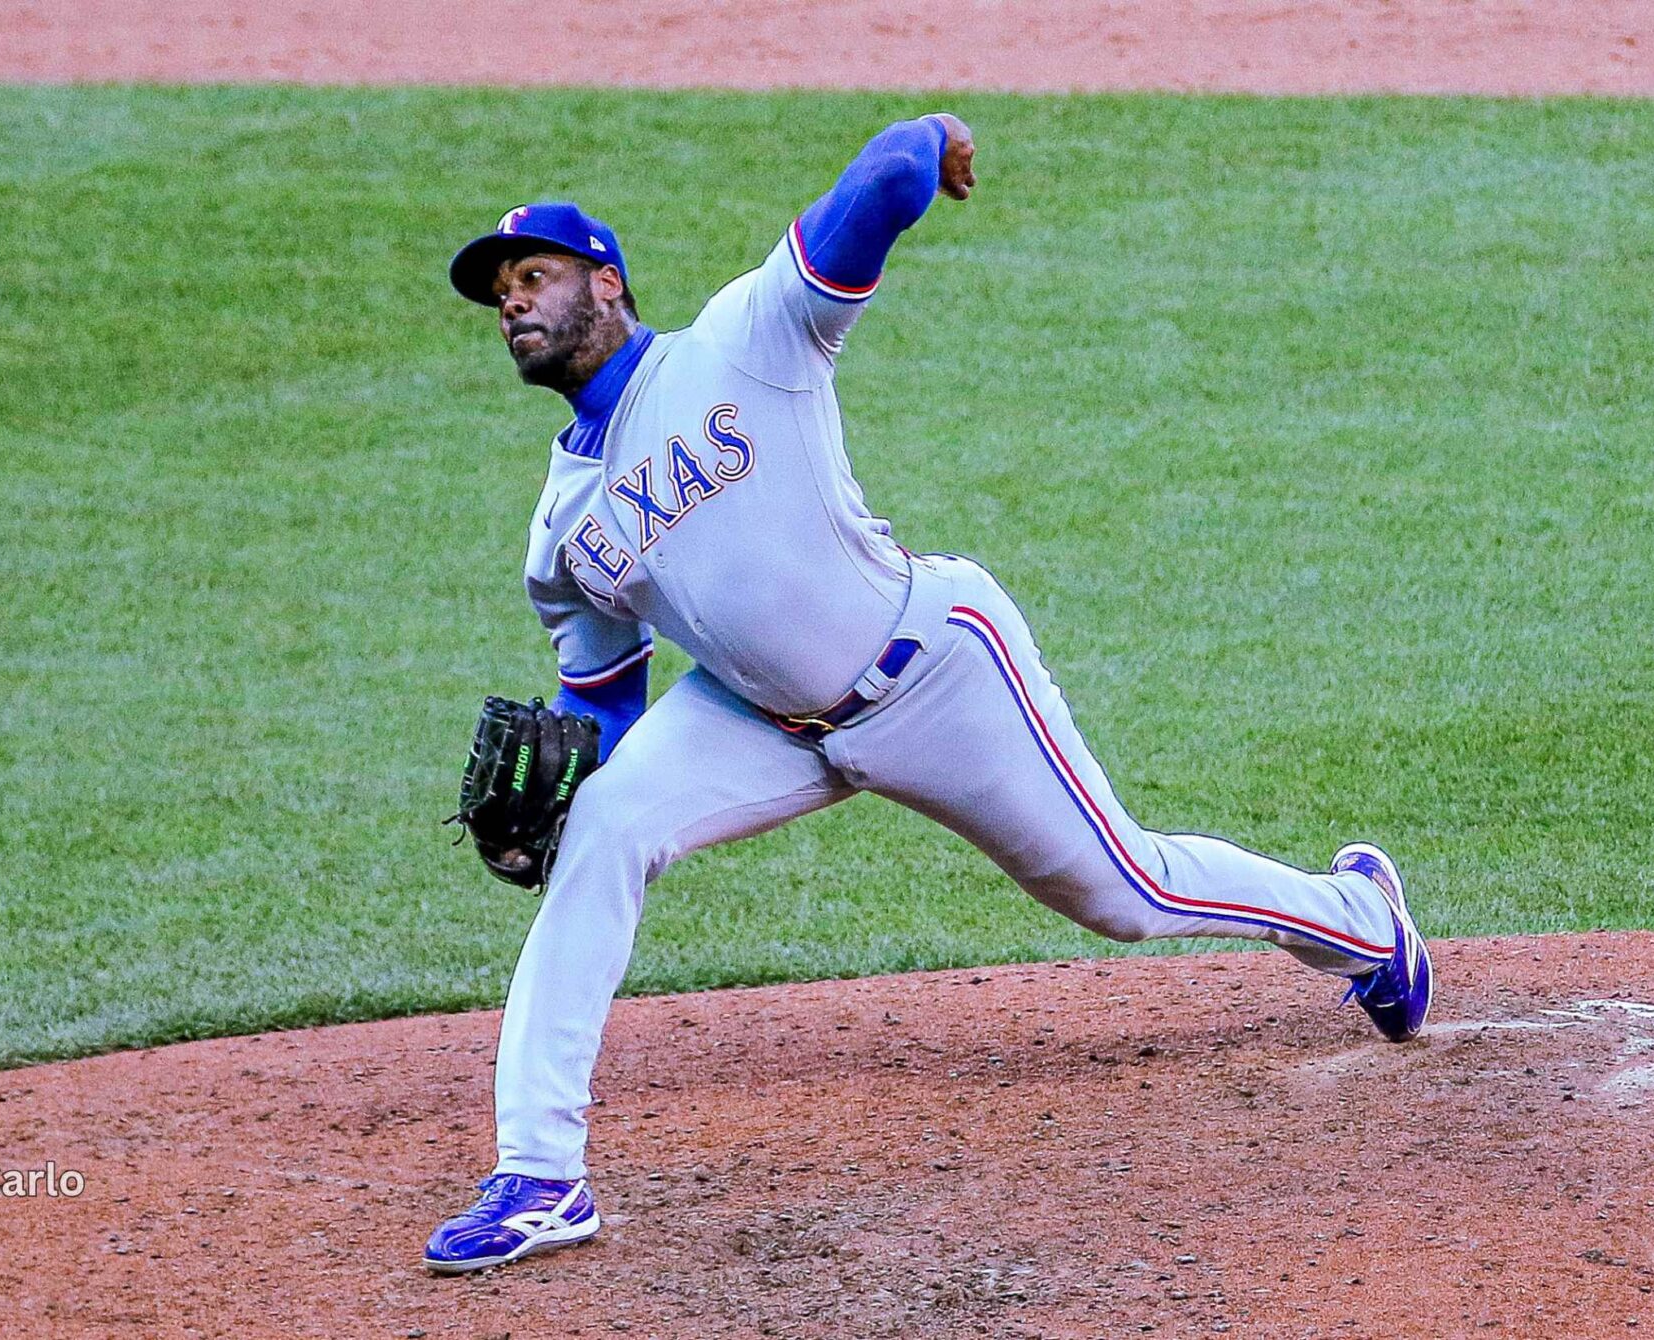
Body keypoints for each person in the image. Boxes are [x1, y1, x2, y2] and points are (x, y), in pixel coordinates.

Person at [423, 112, 1430, 1275]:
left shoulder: (743, 340)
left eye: (531, 275)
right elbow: (603, 705)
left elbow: (881, 177)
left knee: (1123, 889)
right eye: (497, 290)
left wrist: (933, 142)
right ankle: (540, 1173)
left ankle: (1364, 925)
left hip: (932, 666)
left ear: (605, 282)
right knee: (605, 830)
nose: (510, 302)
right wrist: (556, 807)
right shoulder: (559, 534)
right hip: (757, 718)